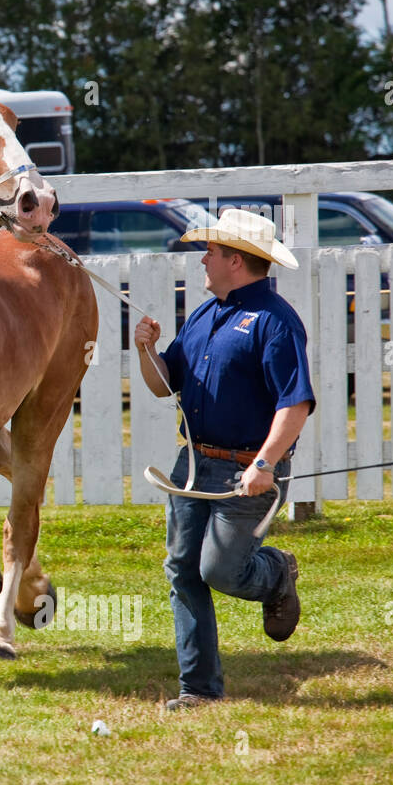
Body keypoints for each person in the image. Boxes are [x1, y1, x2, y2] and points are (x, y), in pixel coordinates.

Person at [132, 208, 315, 712]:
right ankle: (200, 690)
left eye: (210, 252)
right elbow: (164, 384)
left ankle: (276, 572)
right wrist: (145, 350)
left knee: (219, 570)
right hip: (191, 464)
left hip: (246, 472)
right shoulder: (204, 314)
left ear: (235, 261)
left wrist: (265, 464)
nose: (202, 260)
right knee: (182, 571)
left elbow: (295, 403)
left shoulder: (277, 323)